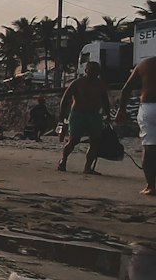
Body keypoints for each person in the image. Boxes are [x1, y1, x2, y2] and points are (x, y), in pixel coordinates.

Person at [57, 61, 110, 174]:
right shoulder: (77, 83)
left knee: (95, 141)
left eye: (96, 70)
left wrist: (108, 115)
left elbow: (105, 101)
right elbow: (65, 98)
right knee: (74, 140)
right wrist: (62, 115)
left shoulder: (101, 84)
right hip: (78, 114)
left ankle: (87, 167)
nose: (93, 72)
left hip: (94, 115)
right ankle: (63, 160)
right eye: (91, 70)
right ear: (86, 70)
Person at [115, 56, 156, 195]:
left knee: (149, 147)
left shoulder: (145, 64)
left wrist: (121, 110)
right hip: (149, 108)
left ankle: (151, 186)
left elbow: (126, 88)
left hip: (149, 107)